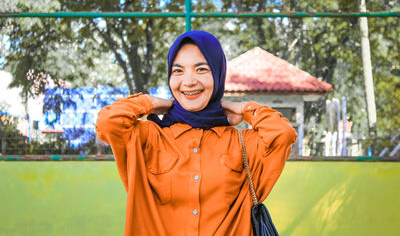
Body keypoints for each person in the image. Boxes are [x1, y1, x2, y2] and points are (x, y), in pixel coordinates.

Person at [96, 30, 297, 236]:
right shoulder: (149, 138)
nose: (189, 81)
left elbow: (282, 134)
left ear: (218, 74)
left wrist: (244, 109)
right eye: (178, 71)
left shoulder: (242, 143)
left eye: (201, 69)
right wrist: (149, 102)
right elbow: (108, 123)